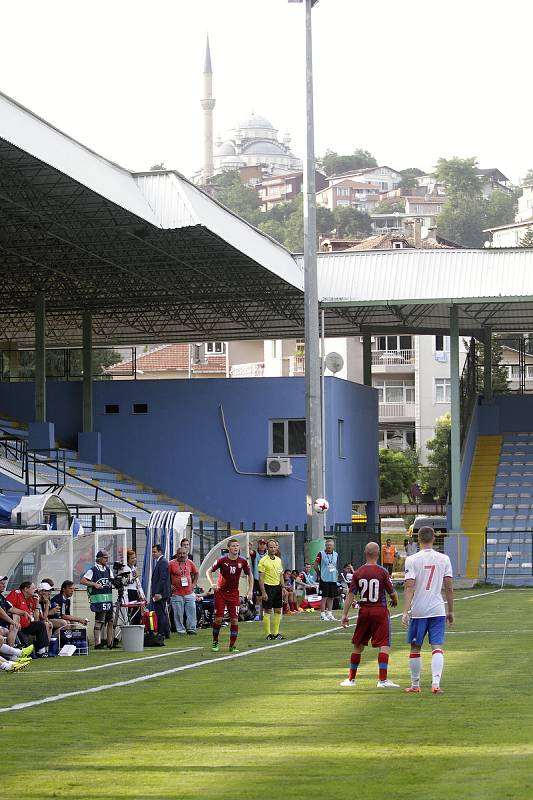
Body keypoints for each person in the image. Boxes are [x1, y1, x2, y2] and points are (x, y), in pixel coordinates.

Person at [402, 526, 454, 695]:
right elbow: (449, 587)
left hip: (419, 610)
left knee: (415, 647)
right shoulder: (444, 559)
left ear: (418, 540)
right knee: (436, 646)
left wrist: (405, 611)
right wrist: (451, 610)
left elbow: (409, 587)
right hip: (438, 609)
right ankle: (436, 684)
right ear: (433, 539)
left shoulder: (411, 559)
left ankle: (415, 685)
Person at [340, 542, 400, 689]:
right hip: (379, 610)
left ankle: (351, 679)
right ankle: (382, 680)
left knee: (358, 645)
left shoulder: (358, 573)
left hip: (364, 611)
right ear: (378, 553)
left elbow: (350, 594)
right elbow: (392, 593)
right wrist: (394, 601)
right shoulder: (382, 572)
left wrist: (344, 614)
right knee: (384, 644)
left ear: (365, 553)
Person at [206, 538, 253, 653]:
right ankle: (215, 642)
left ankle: (232, 645)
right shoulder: (222, 560)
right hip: (220, 592)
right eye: (233, 546)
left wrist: (250, 590)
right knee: (218, 619)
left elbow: (250, 574)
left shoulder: (243, 561)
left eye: (237, 545)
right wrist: (212, 583)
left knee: (235, 620)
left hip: (233, 593)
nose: (235, 547)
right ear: (228, 548)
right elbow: (208, 571)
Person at [80, 550, 115, 650]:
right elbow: (83, 580)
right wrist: (94, 584)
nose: (107, 560)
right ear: (99, 559)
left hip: (107, 599)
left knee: (110, 621)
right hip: (98, 599)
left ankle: (109, 642)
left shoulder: (108, 570)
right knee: (99, 621)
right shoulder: (93, 570)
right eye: (105, 558)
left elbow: (112, 580)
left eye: (107, 558)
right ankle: (97, 643)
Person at [6, 581, 50, 657]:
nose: (35, 590)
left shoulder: (32, 599)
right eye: (33, 588)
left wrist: (37, 604)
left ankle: (42, 651)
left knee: (41, 624)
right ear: (26, 589)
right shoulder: (16, 594)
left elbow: (35, 619)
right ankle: (13, 653)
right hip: (16, 625)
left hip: (27, 625)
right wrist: (21, 612)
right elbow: (8, 608)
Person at [258, 539, 286, 641]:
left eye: (274, 547)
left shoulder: (278, 560)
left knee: (278, 611)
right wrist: (263, 592)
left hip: (277, 587)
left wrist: (283, 588)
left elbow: (280, 574)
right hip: (268, 587)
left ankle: (276, 633)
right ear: (267, 548)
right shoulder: (263, 561)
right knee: (268, 611)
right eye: (271, 547)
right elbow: (261, 578)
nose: (273, 549)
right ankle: (268, 634)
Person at [169, 546, 199, 635]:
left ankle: (191, 629)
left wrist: (194, 584)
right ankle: (181, 630)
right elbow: (165, 576)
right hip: (177, 593)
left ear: (186, 554)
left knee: (192, 611)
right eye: (180, 553)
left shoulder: (190, 562)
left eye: (184, 553)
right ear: (176, 554)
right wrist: (169, 585)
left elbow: (196, 573)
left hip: (189, 592)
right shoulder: (171, 563)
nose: (182, 555)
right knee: (178, 613)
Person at [314, 538, 339, 621]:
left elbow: (335, 566)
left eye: (331, 545)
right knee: (324, 596)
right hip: (324, 578)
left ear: (333, 546)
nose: (329, 546)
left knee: (331, 597)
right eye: (327, 545)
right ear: (325, 545)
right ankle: (322, 614)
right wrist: (319, 574)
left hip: (333, 579)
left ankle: (330, 614)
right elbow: (315, 565)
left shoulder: (335, 554)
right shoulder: (321, 553)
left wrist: (336, 574)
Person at [151, 543, 171, 639]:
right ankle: (166, 632)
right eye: (152, 552)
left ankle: (161, 632)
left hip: (161, 593)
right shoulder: (161, 561)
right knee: (162, 613)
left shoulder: (162, 562)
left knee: (160, 613)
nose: (153, 554)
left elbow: (162, 579)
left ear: (160, 551)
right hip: (162, 592)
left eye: (154, 552)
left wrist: (157, 593)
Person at [249, 538, 268, 620]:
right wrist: (249, 546)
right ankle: (258, 614)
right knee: (258, 598)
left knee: (266, 597)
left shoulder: (268, 554)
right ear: (258, 545)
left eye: (264, 544)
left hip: (267, 579)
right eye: (261, 544)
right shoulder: (255, 553)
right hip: (257, 579)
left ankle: (266, 613)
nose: (262, 546)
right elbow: (250, 552)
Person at [124, 550, 144, 624]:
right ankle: (133, 625)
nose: (134, 560)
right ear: (128, 559)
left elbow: (137, 581)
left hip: (136, 591)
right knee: (132, 611)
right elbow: (125, 582)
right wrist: (134, 577)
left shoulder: (134, 568)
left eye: (135, 558)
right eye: (132, 558)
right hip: (129, 591)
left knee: (138, 611)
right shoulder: (126, 568)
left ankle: (137, 625)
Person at [0, 576, 21, 646]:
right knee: (6, 630)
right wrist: (13, 622)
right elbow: (1, 613)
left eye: (4, 583)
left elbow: (10, 608)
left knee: (16, 616)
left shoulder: (2, 597)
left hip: (4, 626)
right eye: (2, 583)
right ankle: (14, 653)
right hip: (1, 627)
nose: (4, 585)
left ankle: (14, 651)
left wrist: (24, 613)